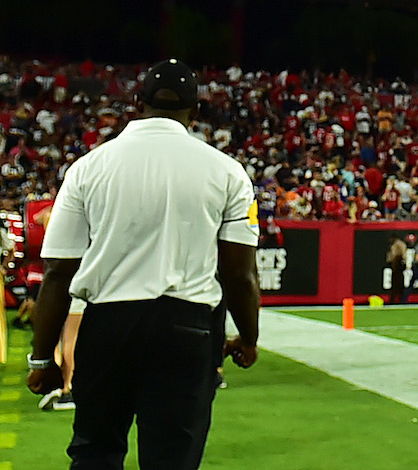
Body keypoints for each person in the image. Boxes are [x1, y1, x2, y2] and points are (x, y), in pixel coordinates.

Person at [26, 59, 261, 469]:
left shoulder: (87, 169)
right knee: (172, 459)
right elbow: (239, 273)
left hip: (108, 325)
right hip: (187, 329)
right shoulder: (228, 172)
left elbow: (59, 272)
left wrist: (43, 359)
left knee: (95, 453)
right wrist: (248, 337)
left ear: (136, 103)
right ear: (197, 110)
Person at [386, 232, 408, 304]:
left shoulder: (398, 244)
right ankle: (400, 299)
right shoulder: (397, 244)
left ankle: (396, 299)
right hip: (397, 264)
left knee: (397, 283)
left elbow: (400, 255)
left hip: (398, 264)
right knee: (398, 283)